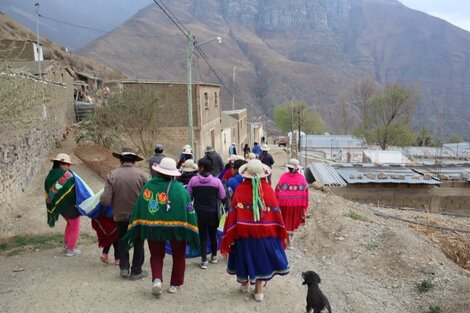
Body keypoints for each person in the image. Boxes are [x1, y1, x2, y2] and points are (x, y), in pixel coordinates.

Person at [123, 158, 199, 296]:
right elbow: (190, 211)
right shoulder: (181, 191)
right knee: (179, 254)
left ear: (159, 171)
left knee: (156, 254)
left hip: (154, 229)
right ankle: (175, 284)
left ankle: (157, 280)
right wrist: (192, 228)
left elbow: (140, 206)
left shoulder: (149, 186)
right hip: (178, 230)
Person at [221, 159, 289, 302]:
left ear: (246, 175)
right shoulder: (268, 190)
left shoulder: (240, 190)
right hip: (264, 235)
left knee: (244, 256)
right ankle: (259, 291)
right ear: (263, 174)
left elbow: (233, 213)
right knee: (260, 260)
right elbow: (276, 213)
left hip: (244, 235)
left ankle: (244, 284)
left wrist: (230, 231)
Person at [100, 147, 149, 280]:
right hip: (138, 217)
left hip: (120, 216)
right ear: (134, 161)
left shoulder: (112, 175)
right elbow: (148, 197)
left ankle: (124, 268)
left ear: (120, 160)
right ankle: (136, 271)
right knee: (139, 242)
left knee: (122, 241)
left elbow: (105, 201)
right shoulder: (143, 175)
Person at [187, 158, 226, 269]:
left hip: (199, 213)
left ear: (202, 168)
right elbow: (222, 196)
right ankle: (214, 256)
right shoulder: (216, 182)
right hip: (213, 213)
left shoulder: (193, 181)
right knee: (213, 235)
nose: (198, 169)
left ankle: (204, 260)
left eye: (199, 167)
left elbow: (188, 195)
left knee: (202, 236)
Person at [45, 153, 82, 257]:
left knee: (70, 224)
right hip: (68, 205)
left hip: (59, 206)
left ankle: (66, 244)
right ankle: (71, 248)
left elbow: (51, 193)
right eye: (67, 164)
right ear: (61, 164)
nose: (68, 167)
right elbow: (70, 191)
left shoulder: (51, 174)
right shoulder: (63, 176)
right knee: (75, 225)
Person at [275, 159, 309, 249]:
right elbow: (306, 193)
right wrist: (305, 206)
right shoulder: (302, 178)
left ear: (289, 168)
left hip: (284, 204)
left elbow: (277, 190)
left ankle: (288, 239)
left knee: (286, 221)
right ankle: (290, 240)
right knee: (293, 222)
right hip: (297, 205)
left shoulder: (283, 177)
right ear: (297, 169)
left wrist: (276, 202)